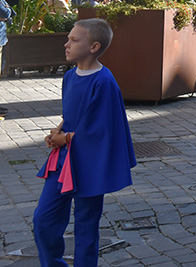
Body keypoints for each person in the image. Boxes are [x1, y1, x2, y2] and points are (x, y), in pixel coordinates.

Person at [33, 19, 136, 267]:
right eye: (68, 39)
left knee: (86, 227)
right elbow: (73, 116)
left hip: (91, 165)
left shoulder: (104, 82)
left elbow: (103, 130)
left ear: (94, 47)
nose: (66, 44)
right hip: (63, 162)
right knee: (43, 220)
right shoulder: (69, 77)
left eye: (74, 40)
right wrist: (58, 131)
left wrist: (66, 138)